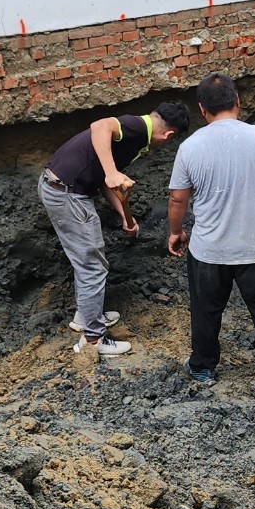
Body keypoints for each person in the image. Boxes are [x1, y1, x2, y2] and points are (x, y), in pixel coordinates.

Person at [167, 74, 255, 388]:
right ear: (238, 101)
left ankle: (203, 368)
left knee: (206, 311)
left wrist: (175, 232)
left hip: (209, 250)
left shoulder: (189, 147)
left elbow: (178, 198)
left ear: (202, 109)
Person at [39, 102, 190, 356]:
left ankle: (87, 316)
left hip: (64, 189)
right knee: (92, 266)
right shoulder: (136, 127)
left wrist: (124, 216)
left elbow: (103, 178)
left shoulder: (137, 136)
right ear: (169, 135)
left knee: (87, 261)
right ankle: (93, 339)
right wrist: (111, 172)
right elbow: (100, 126)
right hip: (67, 193)